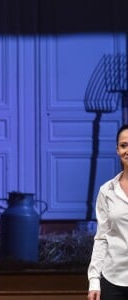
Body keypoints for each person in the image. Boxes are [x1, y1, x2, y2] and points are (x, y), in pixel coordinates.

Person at [88, 124, 128, 300]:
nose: (127, 150)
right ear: (117, 150)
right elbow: (102, 238)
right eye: (123, 145)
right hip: (113, 280)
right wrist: (94, 281)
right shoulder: (107, 190)